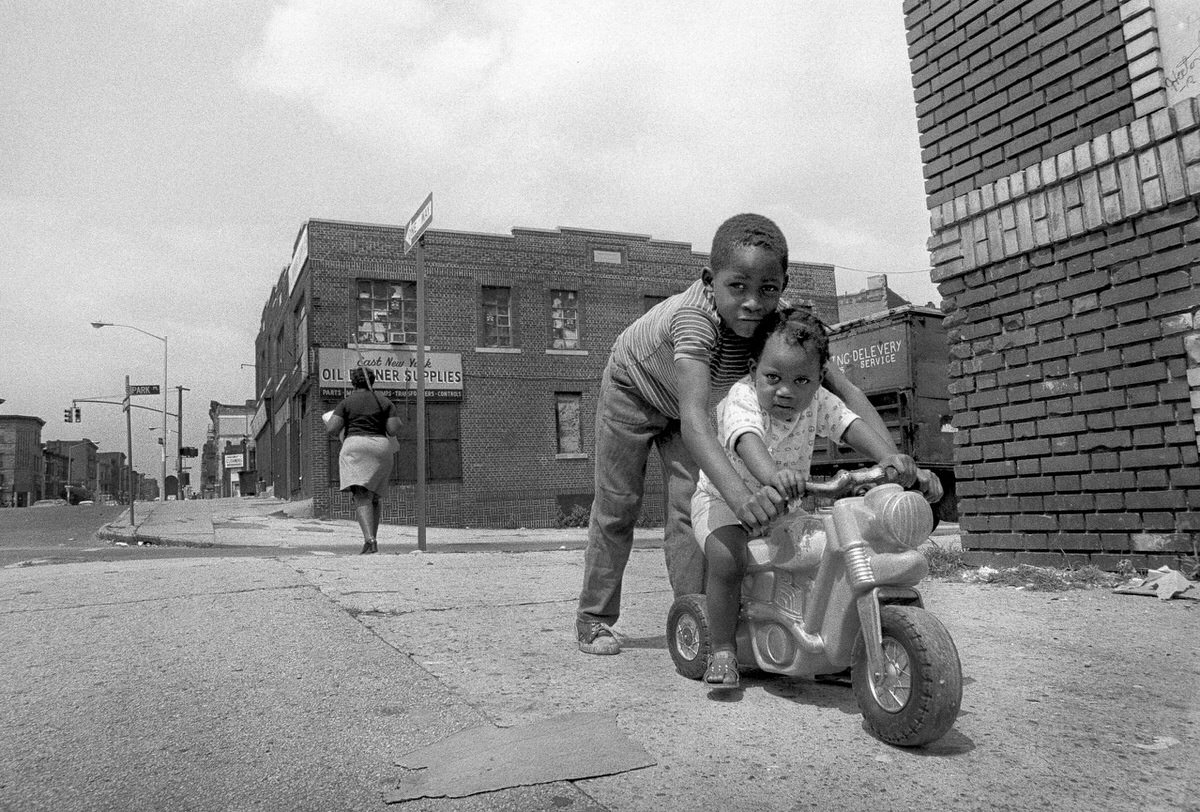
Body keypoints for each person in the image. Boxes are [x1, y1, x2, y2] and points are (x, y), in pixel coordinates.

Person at [575, 213, 910, 655]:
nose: (753, 303)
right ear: (711, 280)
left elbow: (844, 393)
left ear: (783, 285)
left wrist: (898, 462)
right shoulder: (695, 320)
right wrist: (741, 498)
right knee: (619, 506)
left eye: (767, 290)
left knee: (687, 512)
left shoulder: (786, 328)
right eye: (738, 287)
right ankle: (594, 619)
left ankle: (697, 623)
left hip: (697, 404)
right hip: (635, 389)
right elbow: (694, 419)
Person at [693, 306, 942, 687]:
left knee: (822, 554)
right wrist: (774, 476)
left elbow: (851, 425)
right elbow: (747, 441)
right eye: (773, 377)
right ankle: (724, 650)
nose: (786, 391)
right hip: (725, 502)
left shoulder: (820, 402)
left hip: (784, 507)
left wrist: (888, 458)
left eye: (802, 380)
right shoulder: (742, 396)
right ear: (753, 367)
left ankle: (825, 637)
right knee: (727, 560)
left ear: (818, 380)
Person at [324, 367, 402, 555]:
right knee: (374, 496)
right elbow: (393, 429)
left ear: (353, 382)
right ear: (373, 381)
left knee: (361, 494)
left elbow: (333, 429)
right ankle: (372, 540)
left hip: (356, 447)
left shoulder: (346, 402)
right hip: (381, 448)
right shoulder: (384, 401)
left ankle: (370, 540)